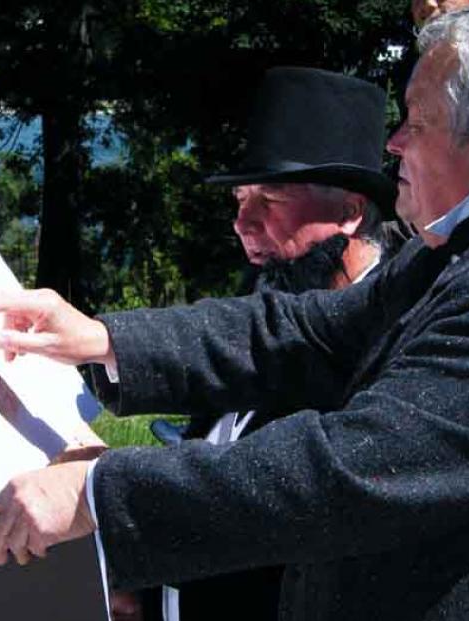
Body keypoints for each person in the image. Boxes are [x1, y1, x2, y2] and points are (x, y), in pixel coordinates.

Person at [0, 2, 469, 619]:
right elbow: (308, 332)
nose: (394, 145)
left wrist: (95, 495)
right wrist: (102, 337)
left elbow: (345, 475)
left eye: (417, 122)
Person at [142, 67, 403, 621]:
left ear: (349, 211)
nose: (243, 223)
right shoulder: (260, 320)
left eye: (270, 198)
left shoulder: (390, 351)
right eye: (240, 200)